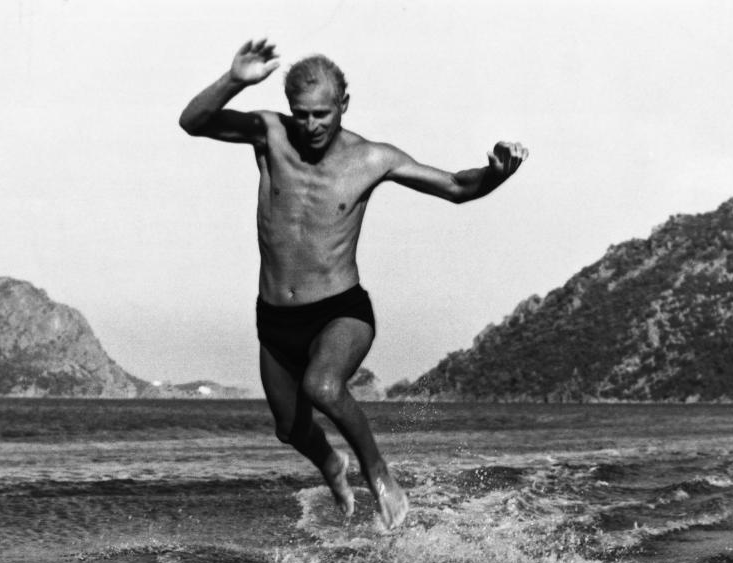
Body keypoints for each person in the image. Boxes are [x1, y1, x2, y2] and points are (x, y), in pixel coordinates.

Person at [179, 39, 528, 530]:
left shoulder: (372, 158)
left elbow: (456, 187)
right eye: (301, 114)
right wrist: (234, 79)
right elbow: (192, 122)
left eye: (322, 113)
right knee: (288, 428)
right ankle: (330, 462)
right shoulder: (269, 135)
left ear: (343, 105)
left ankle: (378, 472)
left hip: (340, 311)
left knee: (323, 385)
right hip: (275, 316)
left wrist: (496, 173)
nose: (312, 125)